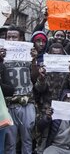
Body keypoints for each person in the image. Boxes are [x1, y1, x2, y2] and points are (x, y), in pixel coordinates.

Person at [4, 25, 36, 154]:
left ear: (21, 38)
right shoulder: (2, 54)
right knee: (10, 142)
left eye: (14, 36)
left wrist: (34, 60)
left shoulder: (28, 53)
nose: (11, 39)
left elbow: (34, 78)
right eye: (8, 37)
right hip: (8, 104)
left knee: (27, 140)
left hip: (26, 102)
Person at [37, 89, 70, 154]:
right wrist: (46, 118)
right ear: (62, 101)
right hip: (56, 146)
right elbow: (40, 126)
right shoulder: (54, 114)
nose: (69, 102)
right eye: (67, 99)